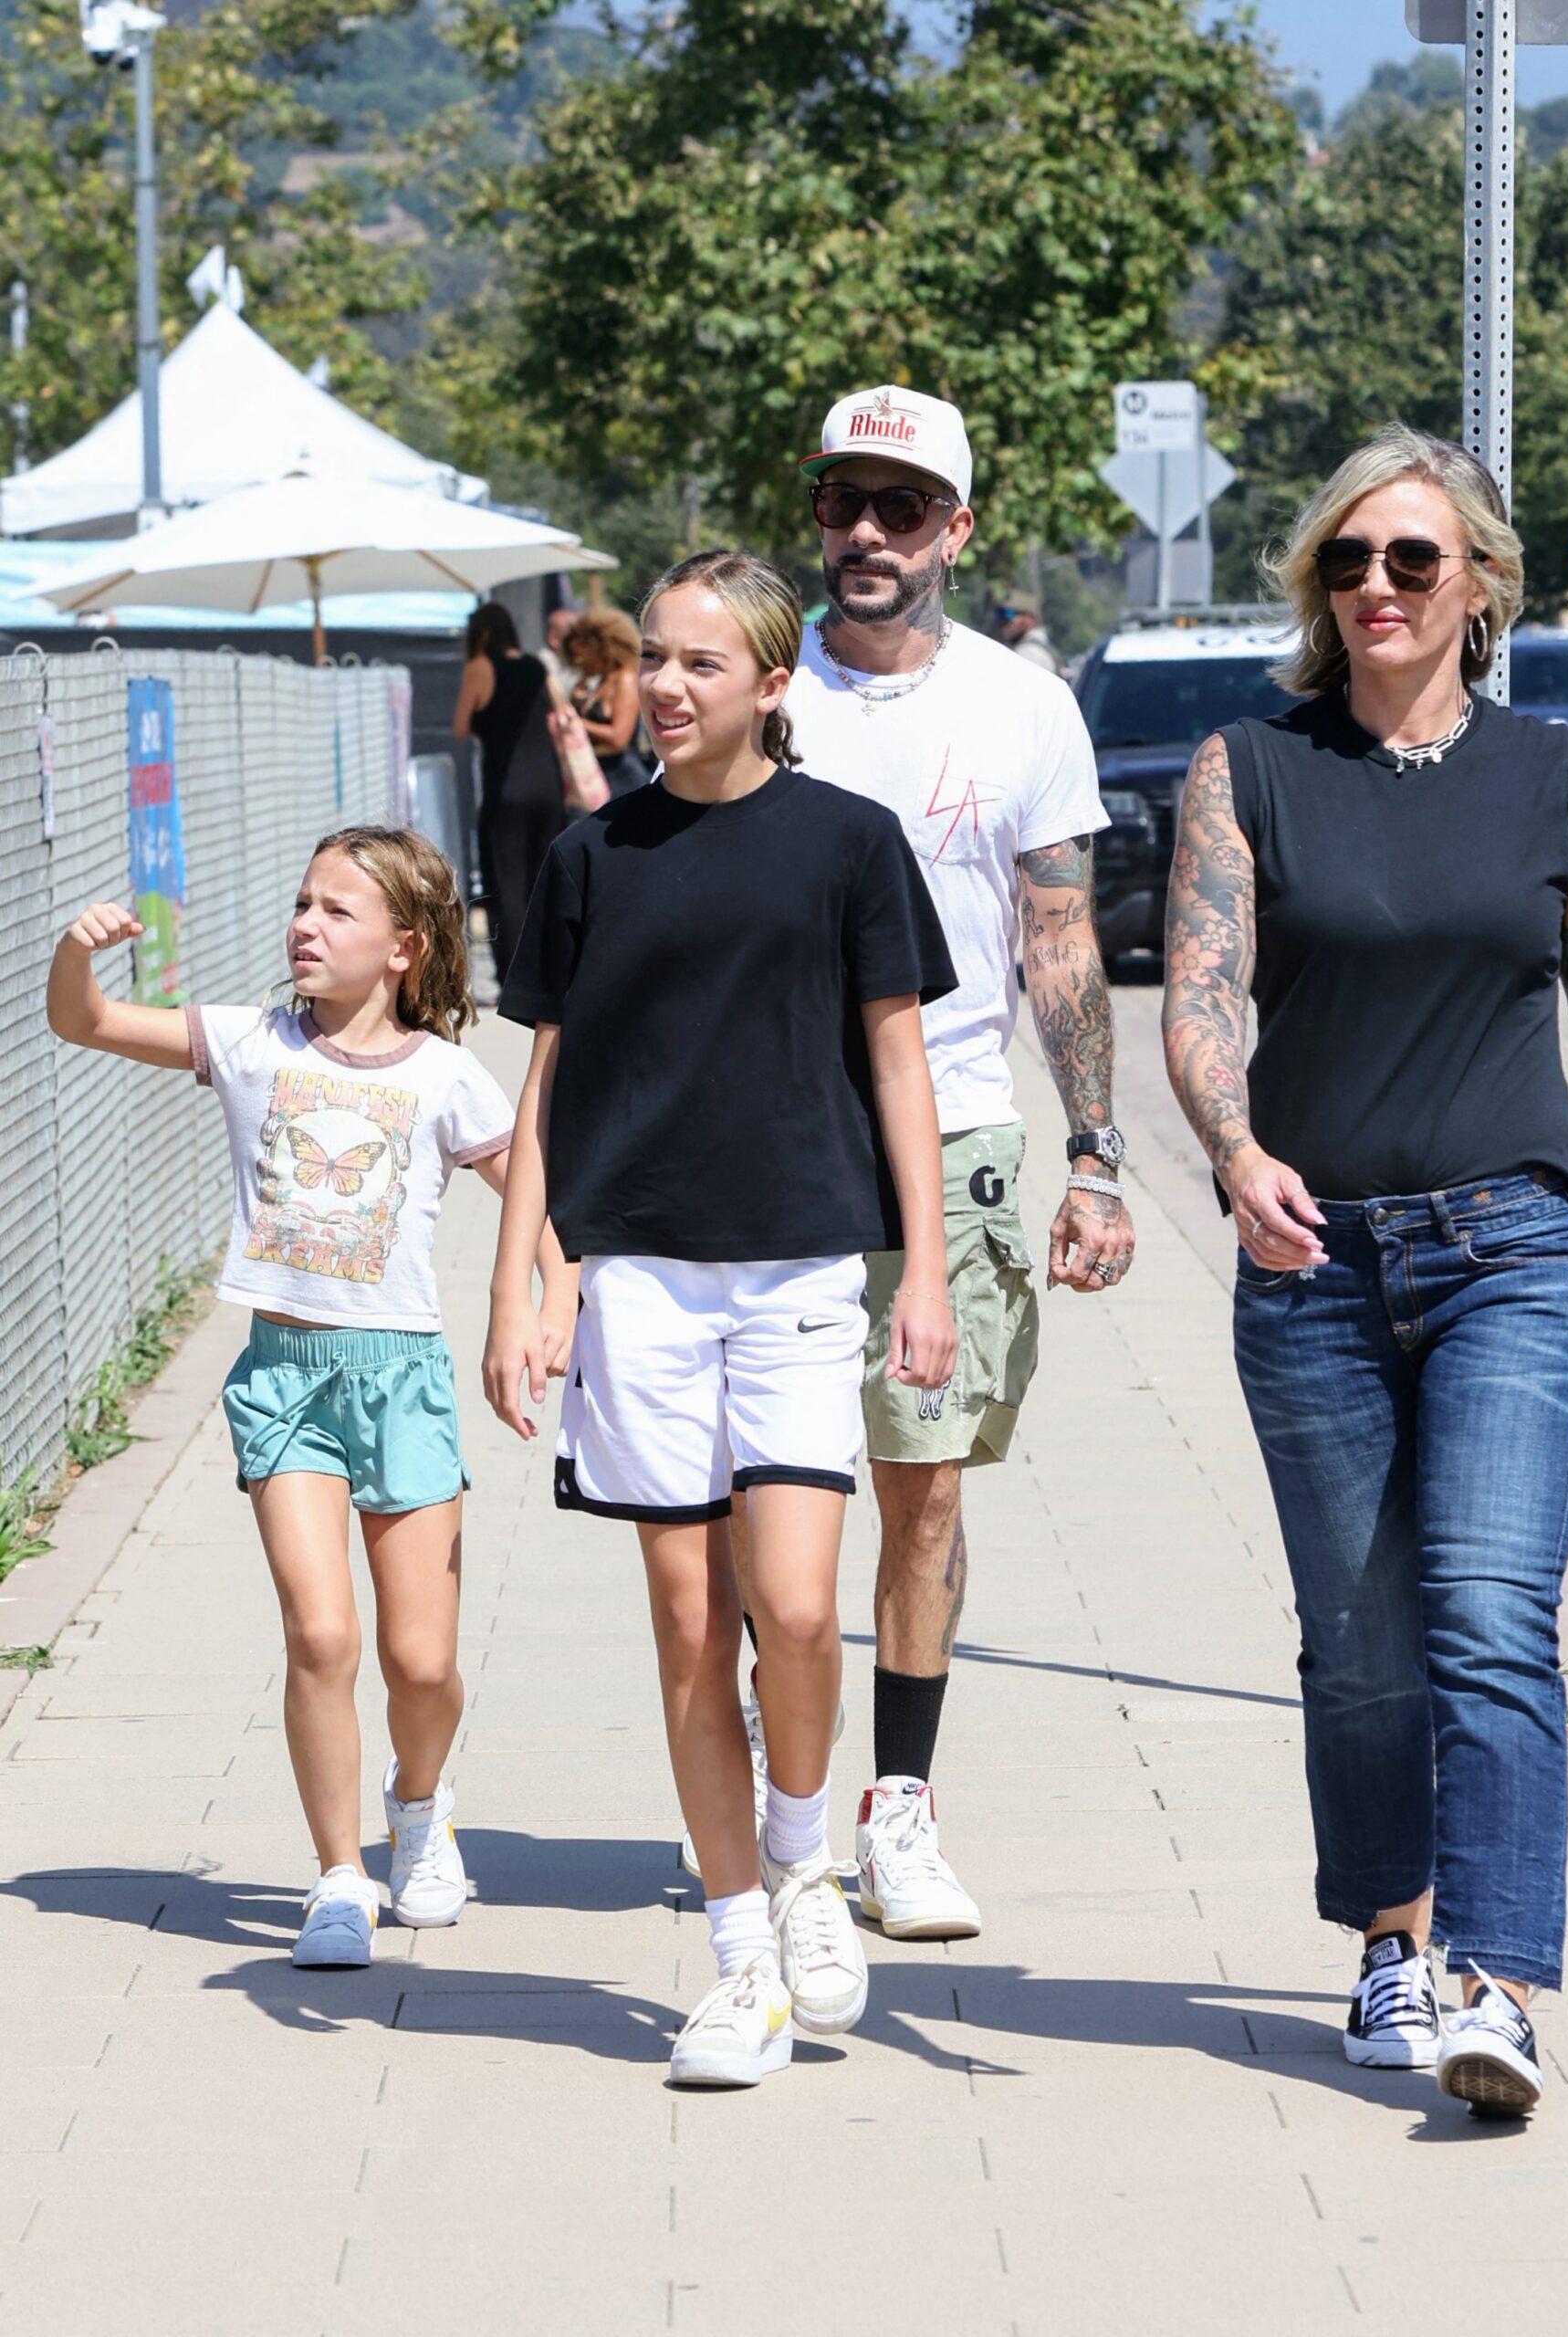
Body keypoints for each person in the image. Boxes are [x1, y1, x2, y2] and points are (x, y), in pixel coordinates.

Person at [1162, 423, 1568, 2119]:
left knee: (1486, 1617)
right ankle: (1389, 1935)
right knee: (1358, 1639)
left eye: (1413, 558)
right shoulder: (1244, 766)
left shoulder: (1554, 777)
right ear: (1316, 588)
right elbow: (1199, 998)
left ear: (1477, 580)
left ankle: (1492, 1985)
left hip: (1514, 1252)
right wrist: (1232, 1152)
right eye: (1348, 560)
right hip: (1310, 1256)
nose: (1379, 586)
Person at [483, 548, 959, 2090]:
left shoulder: (846, 845)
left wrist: (929, 1266)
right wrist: (521, 1281)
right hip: (639, 1281)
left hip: (804, 1273)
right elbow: (545, 1088)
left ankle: (810, 1860)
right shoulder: (593, 856)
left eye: (700, 665)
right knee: (689, 1623)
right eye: (652, 666)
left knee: (799, 1607)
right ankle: (740, 1955)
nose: (664, 691)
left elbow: (899, 1062)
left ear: (771, 683)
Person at [46, 827, 576, 1968]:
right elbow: (80, 1022)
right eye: (301, 903)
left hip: (403, 1379)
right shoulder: (246, 1041)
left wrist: (552, 1294)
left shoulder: (442, 1073)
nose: (305, 925)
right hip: (284, 1375)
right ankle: (339, 1876)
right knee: (322, 1632)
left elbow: (529, 1187)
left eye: (338, 911)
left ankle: (419, 1810)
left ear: (404, 947)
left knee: (422, 1664)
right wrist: (72, 952)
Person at [747, 384, 1134, 1943]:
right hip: (767, 1136)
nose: (860, 533)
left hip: (958, 1136)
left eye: (897, 509)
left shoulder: (1023, 707)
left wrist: (1096, 1156)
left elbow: (1059, 945)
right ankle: (774, 1812)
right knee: (758, 1502)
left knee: (916, 1487)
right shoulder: (764, 696)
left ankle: (894, 1808)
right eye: (841, 501)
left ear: (953, 531)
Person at [453, 602, 594, 981]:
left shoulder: (480, 666)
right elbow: (564, 712)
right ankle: (549, 967)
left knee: (506, 883)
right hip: (547, 785)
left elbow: (461, 725)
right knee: (540, 880)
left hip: (506, 789)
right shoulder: (537, 666)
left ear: (481, 633)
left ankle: (516, 974)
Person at [558, 606, 652, 799]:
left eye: (580, 657)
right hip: (600, 777)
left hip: (623, 780)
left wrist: (578, 722)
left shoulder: (625, 678)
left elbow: (619, 738)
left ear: (599, 647)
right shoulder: (601, 681)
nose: (578, 664)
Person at [993, 591, 1061, 676]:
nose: (1002, 621)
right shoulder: (1041, 647)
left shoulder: (1028, 652)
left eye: (1008, 614)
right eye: (999, 614)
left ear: (1029, 618)